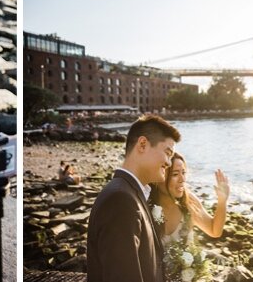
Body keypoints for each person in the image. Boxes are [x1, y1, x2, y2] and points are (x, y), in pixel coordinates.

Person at [87, 114, 181, 282]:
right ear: (143, 144)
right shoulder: (120, 199)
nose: (168, 162)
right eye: (167, 153)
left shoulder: (130, 193)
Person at [147, 152, 229, 282]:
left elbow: (214, 230)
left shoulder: (188, 202)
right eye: (175, 174)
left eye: (183, 173)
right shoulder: (145, 207)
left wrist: (222, 200)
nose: (182, 179)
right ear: (160, 176)